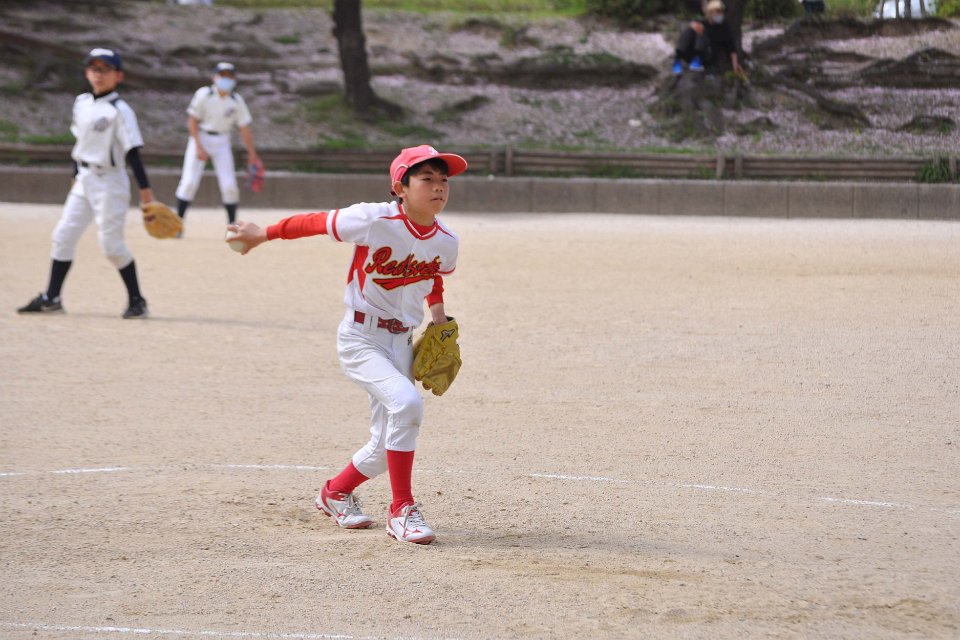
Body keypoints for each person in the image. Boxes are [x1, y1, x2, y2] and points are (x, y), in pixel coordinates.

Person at [227, 145, 467, 545]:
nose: (439, 187)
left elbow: (432, 274)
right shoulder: (373, 219)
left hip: (402, 342)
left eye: (443, 180)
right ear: (400, 187)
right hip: (360, 338)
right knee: (407, 405)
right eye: (426, 179)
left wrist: (439, 316)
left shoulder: (446, 240)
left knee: (385, 444)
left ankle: (335, 493)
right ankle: (401, 510)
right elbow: (315, 222)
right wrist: (262, 234)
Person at [17, 48, 156, 319]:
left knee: (111, 247)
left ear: (119, 75)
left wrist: (146, 192)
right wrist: (75, 175)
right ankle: (52, 298)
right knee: (63, 236)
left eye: (105, 69)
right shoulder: (81, 103)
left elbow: (133, 152)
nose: (98, 74)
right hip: (84, 179)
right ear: (86, 73)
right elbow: (81, 143)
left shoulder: (120, 110)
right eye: (94, 68)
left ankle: (137, 301)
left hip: (110, 182)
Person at [174, 61, 261, 231]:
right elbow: (192, 121)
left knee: (229, 185)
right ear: (215, 77)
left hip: (222, 140)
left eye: (230, 76)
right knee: (189, 182)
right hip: (201, 137)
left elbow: (244, 127)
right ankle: (178, 225)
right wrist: (198, 146)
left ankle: (232, 227)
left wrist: (252, 153)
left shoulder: (236, 100)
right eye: (223, 76)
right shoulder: (204, 95)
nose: (226, 80)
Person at [671, 0, 743, 135]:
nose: (720, 14)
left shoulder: (724, 28)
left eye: (721, 12)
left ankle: (696, 62)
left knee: (701, 34)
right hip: (693, 53)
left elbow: (732, 50)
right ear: (710, 13)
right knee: (692, 29)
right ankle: (678, 60)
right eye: (717, 12)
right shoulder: (703, 22)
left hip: (707, 56)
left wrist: (735, 66)